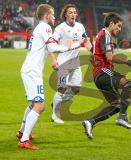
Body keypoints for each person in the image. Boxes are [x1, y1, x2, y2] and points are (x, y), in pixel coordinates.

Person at [17, 4, 82, 150]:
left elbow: (49, 46)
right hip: (32, 72)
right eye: (52, 14)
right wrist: (71, 47)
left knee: (34, 104)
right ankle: (24, 141)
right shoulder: (45, 27)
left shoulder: (39, 28)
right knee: (40, 106)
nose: (54, 17)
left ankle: (22, 132)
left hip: (29, 70)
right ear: (46, 16)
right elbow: (52, 47)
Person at [82, 12, 131, 139]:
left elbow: (93, 57)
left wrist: (97, 63)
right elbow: (109, 57)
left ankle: (90, 122)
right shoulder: (105, 35)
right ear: (111, 24)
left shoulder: (102, 35)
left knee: (117, 104)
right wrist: (128, 62)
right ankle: (122, 118)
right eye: (118, 26)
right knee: (128, 84)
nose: (119, 29)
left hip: (99, 74)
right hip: (103, 72)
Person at [51, 4, 92, 124]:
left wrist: (93, 52)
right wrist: (53, 60)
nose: (73, 14)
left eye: (74, 12)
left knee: (76, 89)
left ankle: (56, 102)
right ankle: (55, 115)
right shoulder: (60, 28)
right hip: (63, 62)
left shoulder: (80, 27)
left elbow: (86, 41)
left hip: (76, 62)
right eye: (70, 12)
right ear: (65, 15)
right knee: (61, 89)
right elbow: (51, 46)